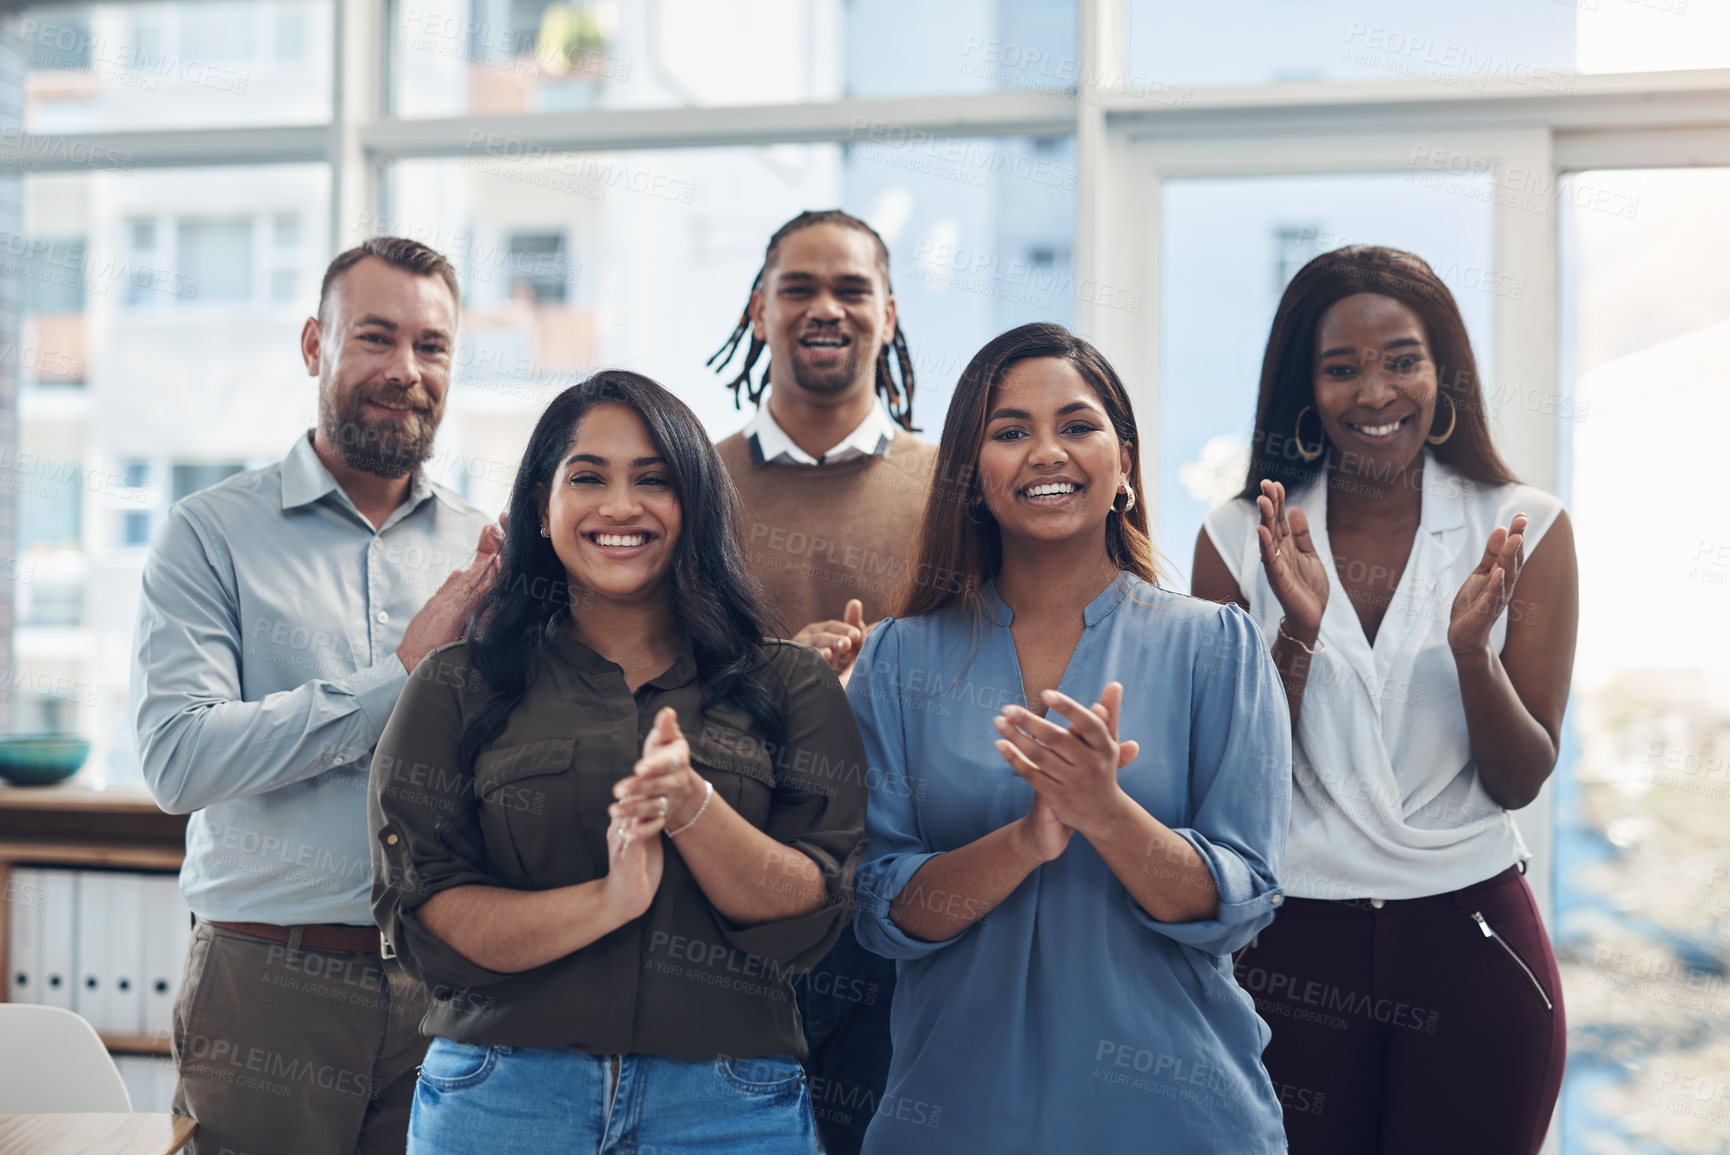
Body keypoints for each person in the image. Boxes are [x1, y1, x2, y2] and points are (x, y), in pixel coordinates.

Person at [368, 371, 869, 1154]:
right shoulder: (454, 685)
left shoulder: (790, 682)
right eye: (588, 477)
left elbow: (817, 906)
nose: (620, 506)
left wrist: (696, 809)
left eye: (653, 479)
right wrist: (608, 900)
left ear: (694, 503)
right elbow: (432, 917)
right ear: (543, 505)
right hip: (502, 1101)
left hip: (728, 1107)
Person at [848, 322, 1292, 1153]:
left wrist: (1105, 813)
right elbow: (882, 908)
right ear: (972, 478)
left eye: (1078, 426)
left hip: (1181, 1125)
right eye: (1011, 431)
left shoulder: (1216, 647)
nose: (1047, 451)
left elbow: (1242, 901)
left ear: (1122, 463)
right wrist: (1029, 837)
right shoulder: (897, 658)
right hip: (953, 1122)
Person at [1191, 245, 1578, 1155]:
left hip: (1471, 942)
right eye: (1342, 367)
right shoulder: (1234, 538)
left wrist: (1470, 654)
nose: (1375, 392)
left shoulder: (1526, 525)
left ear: (1444, 375)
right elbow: (1228, 778)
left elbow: (1520, 777)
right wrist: (1296, 631)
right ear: (1304, 386)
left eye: (1402, 359)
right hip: (1290, 952)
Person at [131, 237, 500, 1155]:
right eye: (375, 337)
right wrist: (399, 680)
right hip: (267, 990)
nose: (406, 371)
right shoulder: (210, 533)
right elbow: (179, 758)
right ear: (313, 346)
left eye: (432, 346)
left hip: (447, 989)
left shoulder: (487, 550)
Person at [709, 209, 935, 1151]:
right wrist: (772, 677)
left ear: (887, 311)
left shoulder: (955, 484)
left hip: (908, 894)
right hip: (731, 896)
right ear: (759, 310)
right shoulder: (694, 484)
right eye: (798, 287)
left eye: (850, 289)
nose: (824, 308)